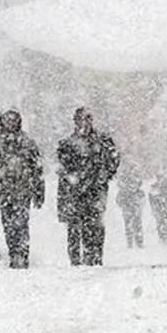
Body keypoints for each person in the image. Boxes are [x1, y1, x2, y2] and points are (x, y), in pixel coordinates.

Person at [57, 107, 120, 266]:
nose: (84, 124)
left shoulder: (103, 141)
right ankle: (76, 259)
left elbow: (114, 159)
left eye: (87, 119)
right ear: (75, 122)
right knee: (74, 226)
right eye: (80, 120)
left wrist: (104, 174)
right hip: (74, 191)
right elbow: (63, 168)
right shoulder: (67, 144)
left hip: (96, 190)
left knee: (95, 224)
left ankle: (95, 257)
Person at [0, 109, 45, 269]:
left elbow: (37, 169)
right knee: (8, 226)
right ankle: (13, 254)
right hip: (4, 192)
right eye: (7, 119)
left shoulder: (27, 142)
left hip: (23, 192)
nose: (10, 122)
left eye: (13, 119)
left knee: (22, 225)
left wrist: (39, 192)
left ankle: (22, 256)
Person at [116, 163, 146, 249]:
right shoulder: (128, 189)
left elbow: (119, 200)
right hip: (131, 208)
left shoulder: (125, 189)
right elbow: (119, 200)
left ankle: (135, 242)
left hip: (131, 208)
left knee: (133, 225)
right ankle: (136, 242)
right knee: (134, 225)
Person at [149, 175, 167, 245]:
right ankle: (165, 239)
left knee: (166, 224)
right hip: (162, 210)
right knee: (164, 223)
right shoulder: (156, 189)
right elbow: (152, 200)